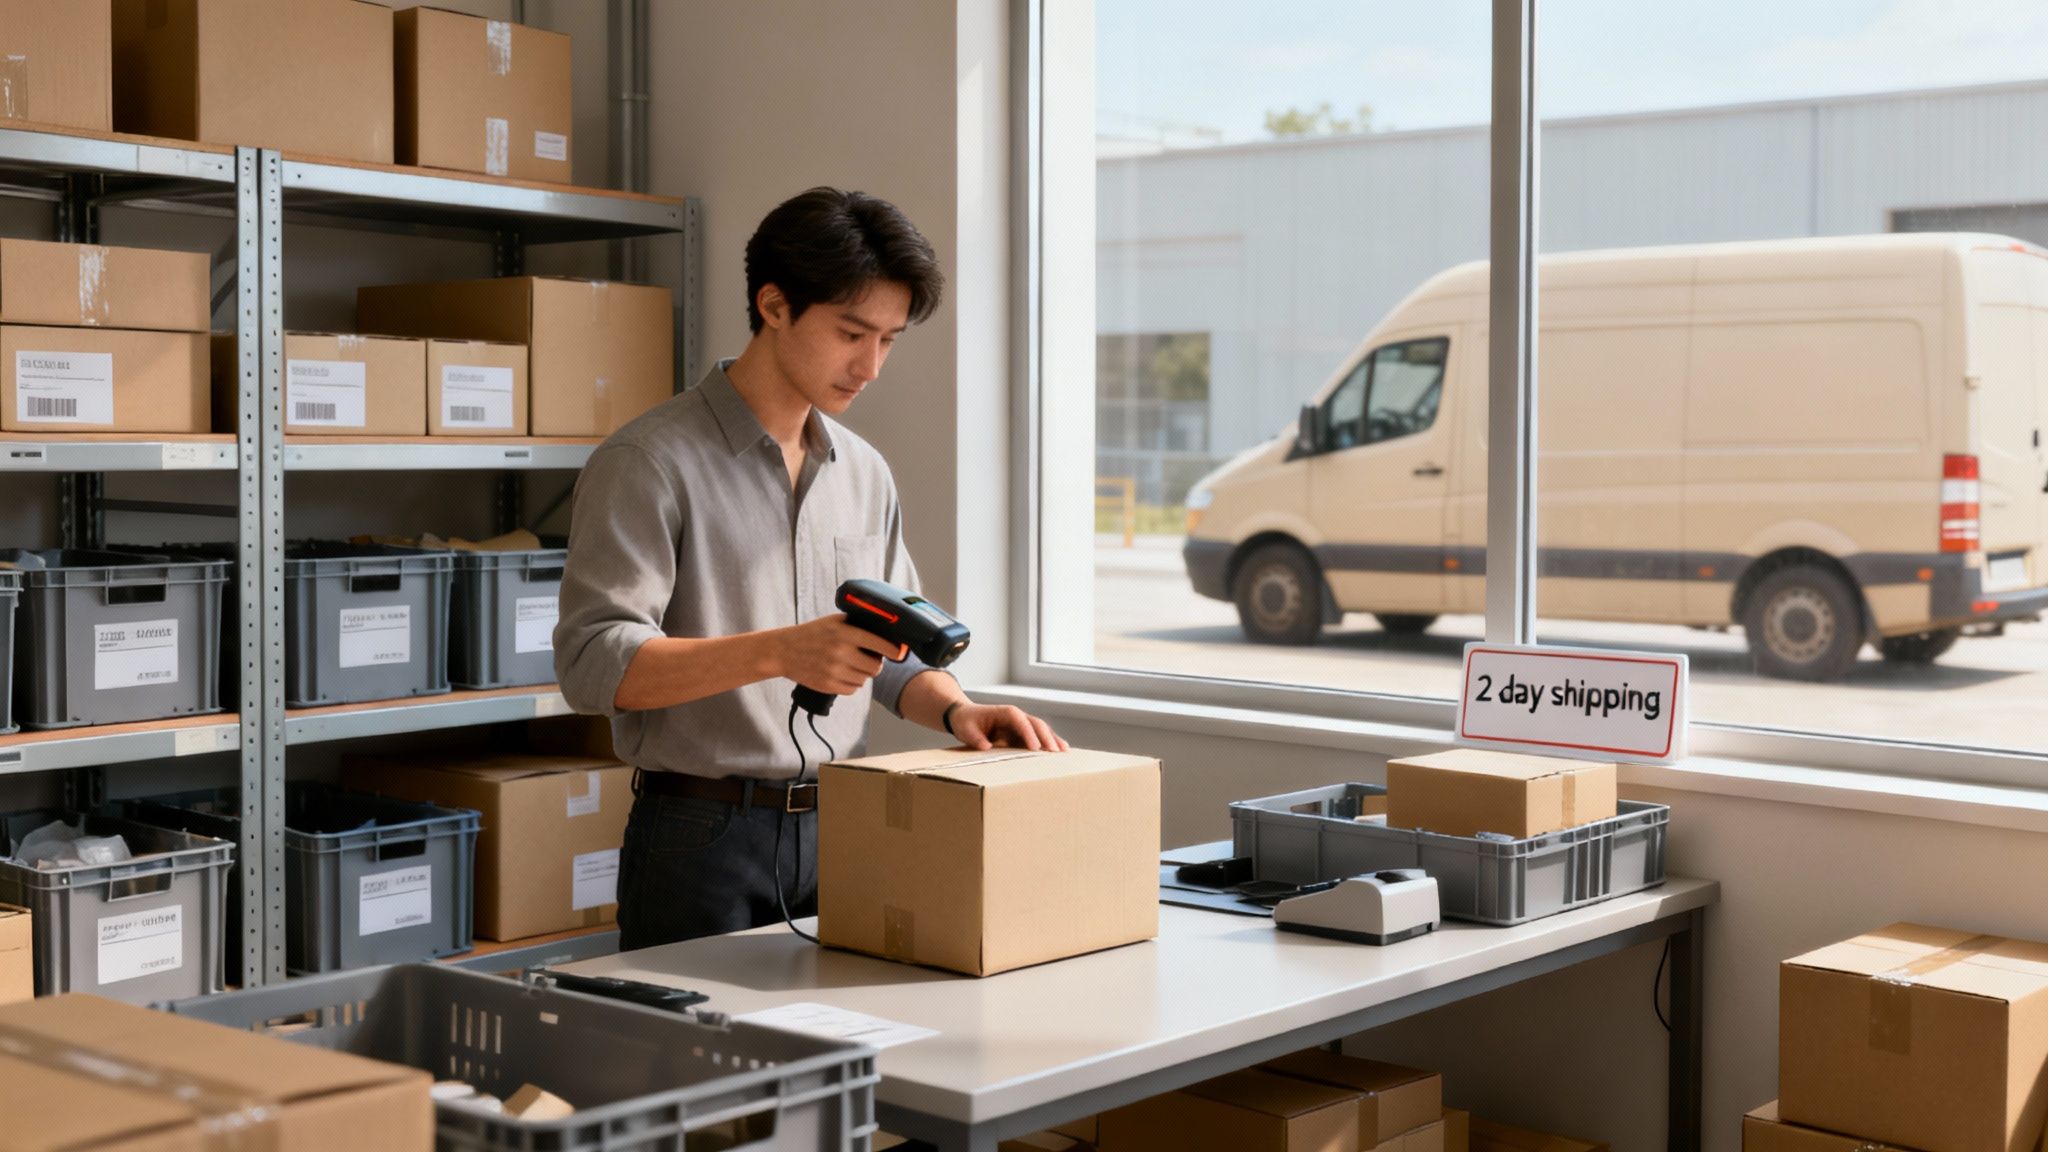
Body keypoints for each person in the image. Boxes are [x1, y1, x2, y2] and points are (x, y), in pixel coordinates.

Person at [554, 186, 1069, 950]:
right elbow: (592, 666)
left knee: (831, 1063)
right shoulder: (648, 462)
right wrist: (780, 650)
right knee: (697, 1068)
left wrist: (957, 708)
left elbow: (884, 656)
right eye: (852, 333)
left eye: (889, 340)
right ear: (773, 305)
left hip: (843, 824)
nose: (871, 366)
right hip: (697, 833)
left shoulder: (864, 472)